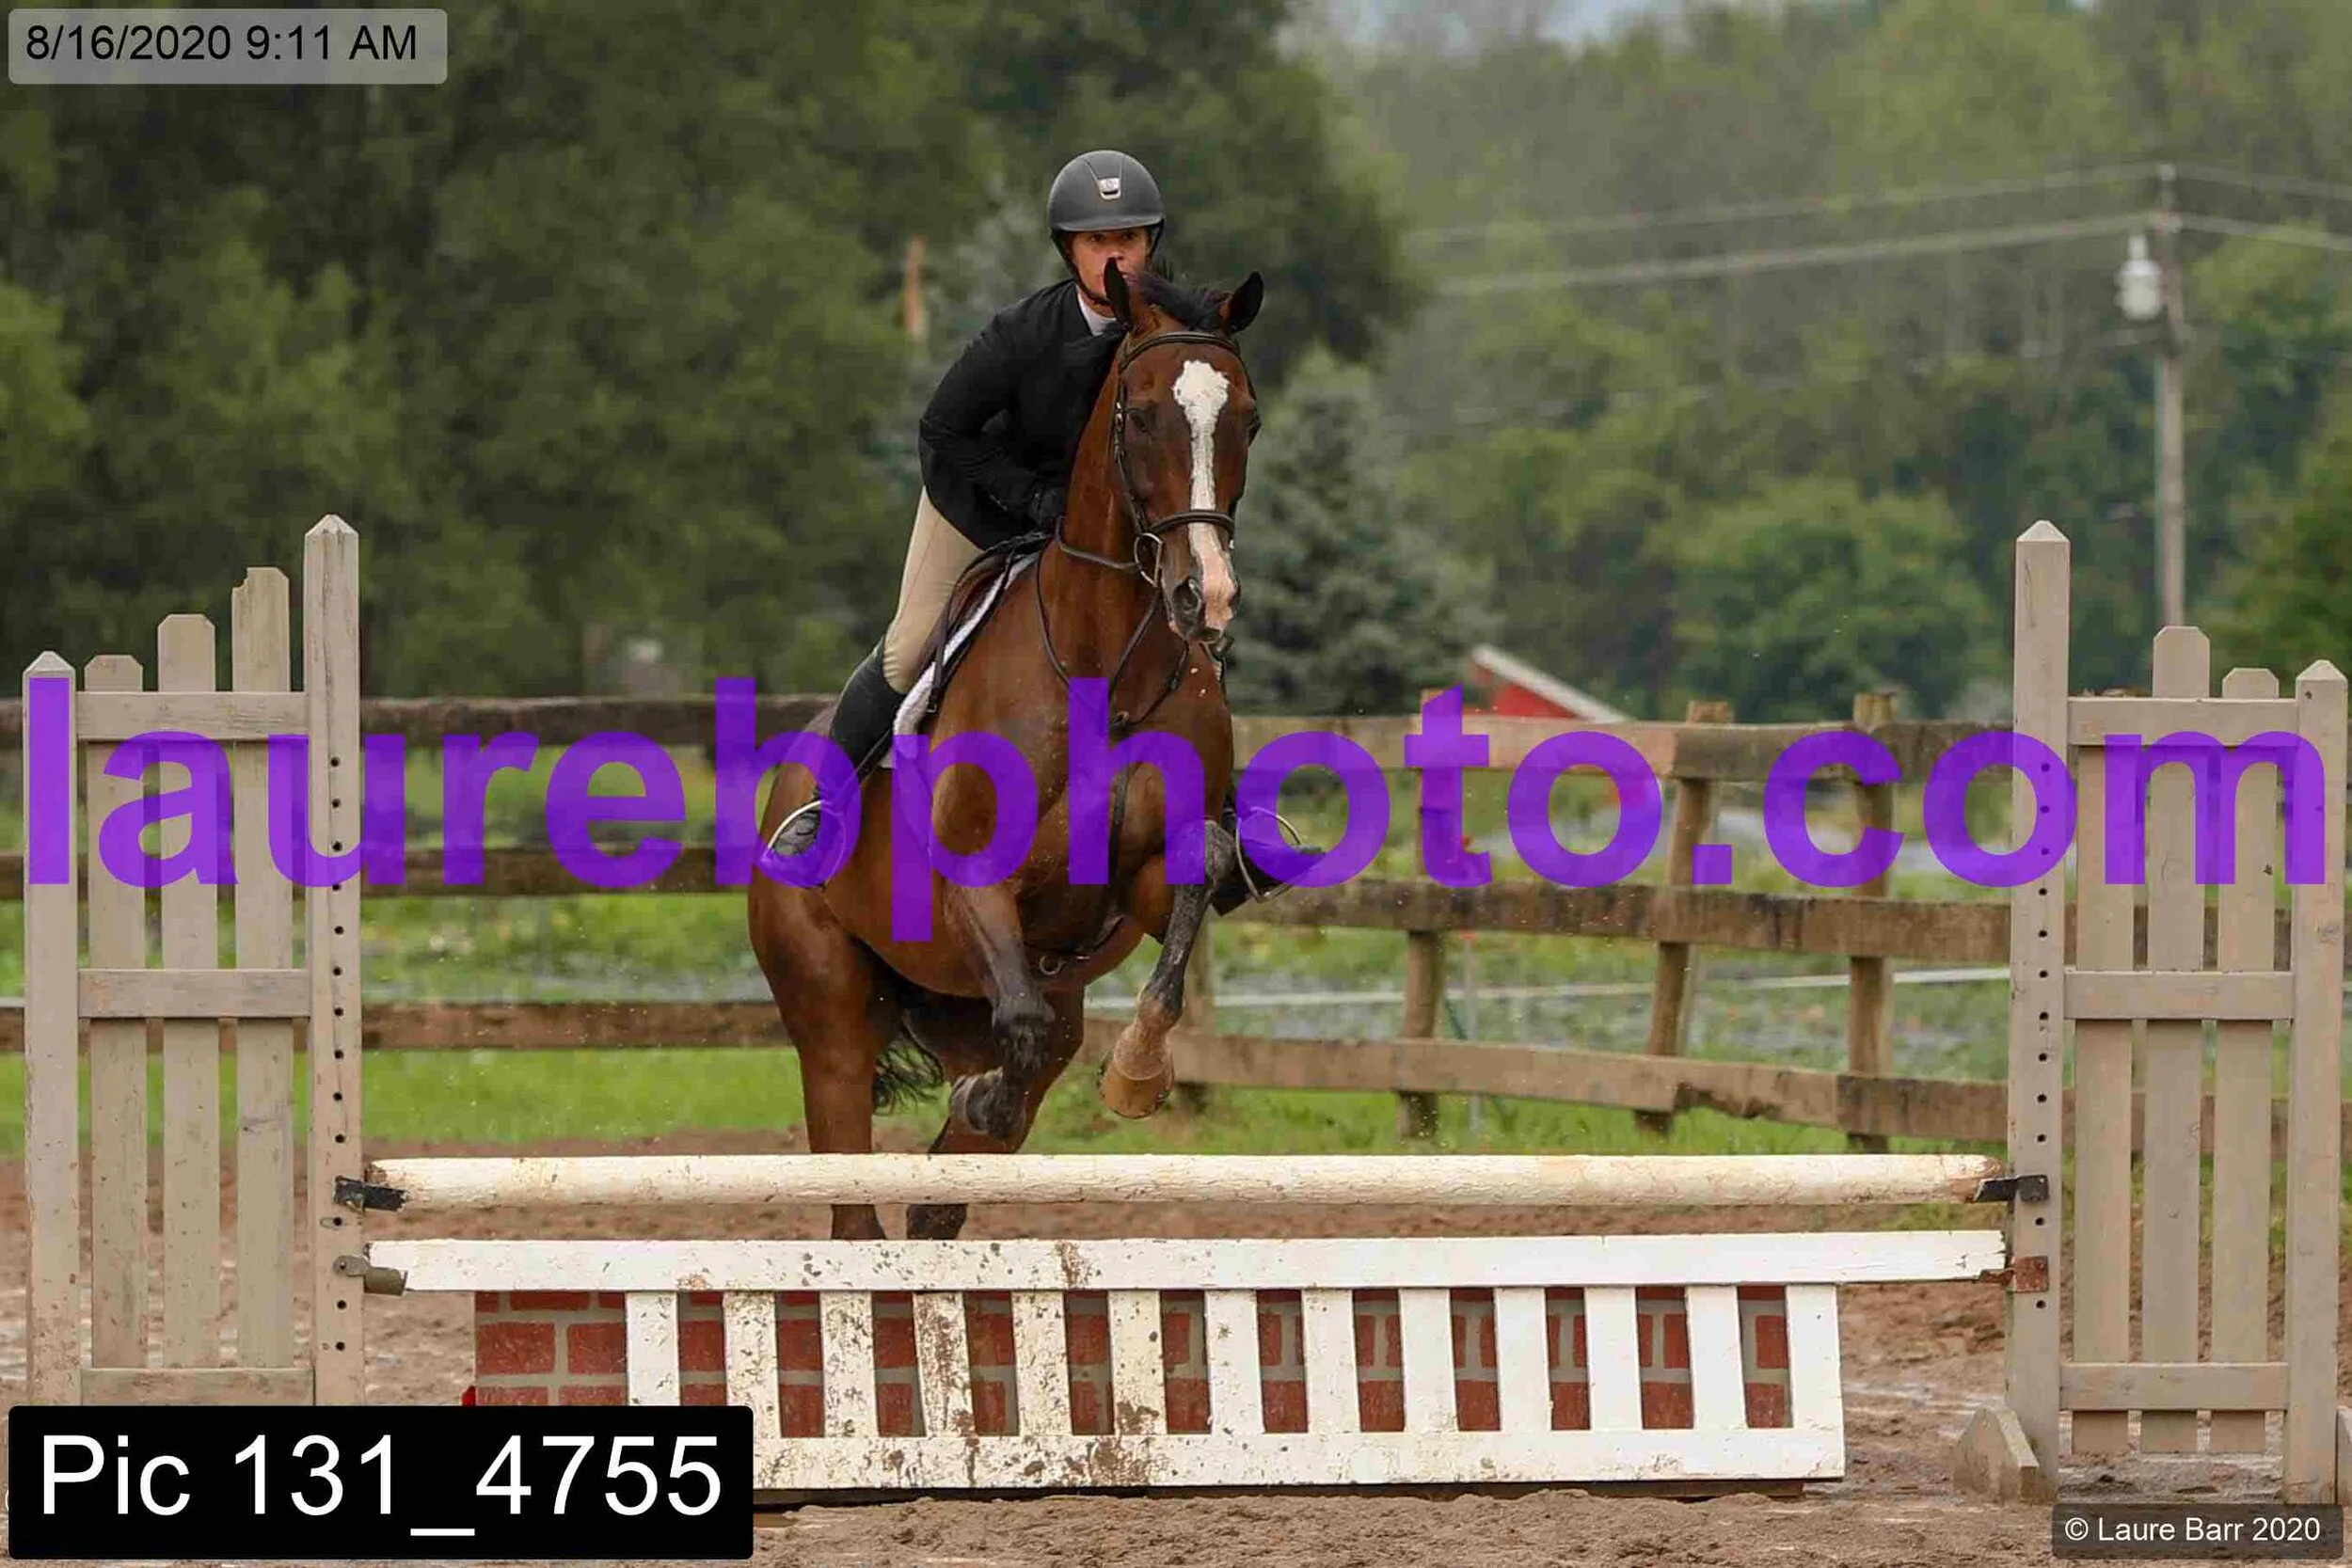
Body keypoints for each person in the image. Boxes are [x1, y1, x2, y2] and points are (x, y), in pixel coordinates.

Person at [769, 149, 1167, 859]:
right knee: (911, 645)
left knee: (1185, 639)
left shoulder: (1164, 334)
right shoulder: (1021, 335)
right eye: (1098, 240)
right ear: (1068, 250)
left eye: (1129, 239)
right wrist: (1030, 498)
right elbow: (944, 430)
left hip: (1096, 534)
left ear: (1151, 244)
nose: (1116, 257)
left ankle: (1231, 816)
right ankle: (823, 806)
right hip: (980, 505)